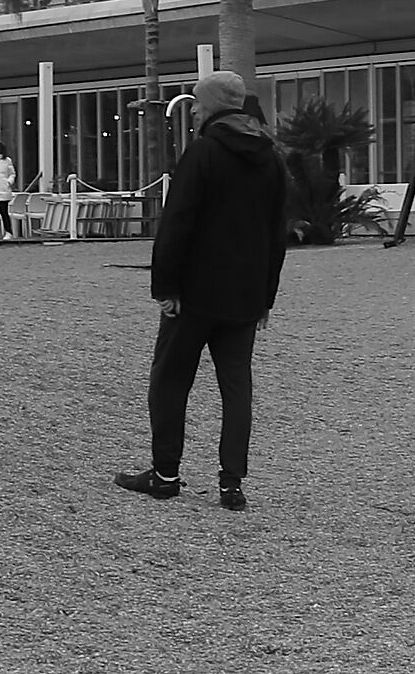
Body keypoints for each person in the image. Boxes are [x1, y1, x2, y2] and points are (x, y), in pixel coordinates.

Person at [115, 69, 288, 512]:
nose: (192, 109)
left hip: (194, 294)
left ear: (212, 105)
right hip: (244, 296)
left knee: (170, 380)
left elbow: (177, 222)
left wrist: (165, 285)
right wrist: (266, 297)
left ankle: (165, 474)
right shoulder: (271, 158)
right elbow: (276, 235)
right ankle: (232, 484)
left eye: (196, 101)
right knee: (237, 387)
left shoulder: (203, 152)